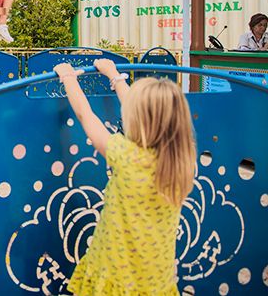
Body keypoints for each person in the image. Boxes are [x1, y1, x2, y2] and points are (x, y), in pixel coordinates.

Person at [53, 59, 196, 296]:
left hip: (115, 277)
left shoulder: (127, 156)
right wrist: (115, 76)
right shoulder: (182, 161)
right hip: (155, 279)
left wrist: (68, 77)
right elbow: (141, 111)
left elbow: (86, 116)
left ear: (138, 120)